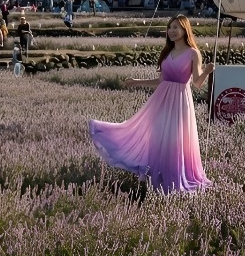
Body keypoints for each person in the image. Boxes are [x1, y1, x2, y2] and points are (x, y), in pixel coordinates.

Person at [88, 14, 213, 193]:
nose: (171, 31)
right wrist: (136, 81)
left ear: (185, 30)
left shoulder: (193, 53)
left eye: (175, 27)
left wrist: (207, 70)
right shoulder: (168, 53)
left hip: (179, 101)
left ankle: (175, 179)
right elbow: (161, 80)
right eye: (169, 27)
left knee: (175, 140)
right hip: (161, 101)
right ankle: (159, 177)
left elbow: (197, 83)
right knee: (158, 138)